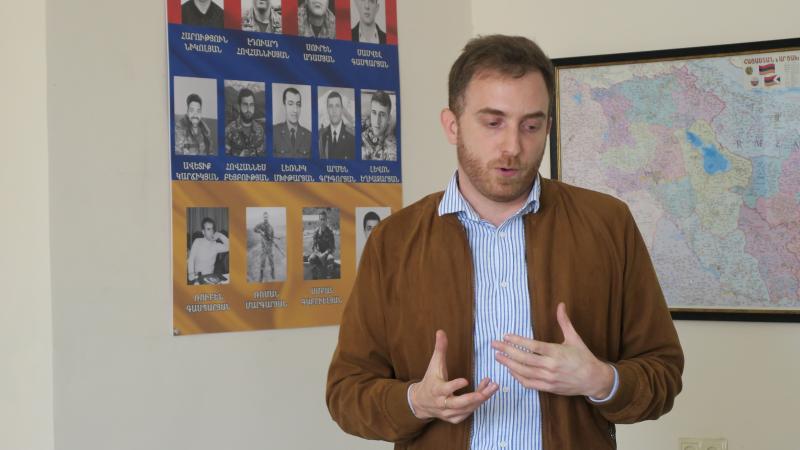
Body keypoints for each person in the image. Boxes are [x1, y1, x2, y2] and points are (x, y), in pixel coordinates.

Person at [326, 35, 684, 450]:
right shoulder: (394, 240)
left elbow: (663, 373)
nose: (513, 146)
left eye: (531, 125)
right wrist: (415, 402)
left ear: (548, 127)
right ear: (452, 125)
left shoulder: (608, 223)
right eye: (493, 122)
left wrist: (601, 380)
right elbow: (346, 393)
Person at [187, 217, 229, 283]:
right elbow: (191, 259)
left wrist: (220, 235)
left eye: (212, 229)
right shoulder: (197, 241)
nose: (211, 231)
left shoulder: (216, 245)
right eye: (208, 229)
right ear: (203, 232)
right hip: (197, 277)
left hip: (210, 278)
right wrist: (191, 272)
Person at [273, 87, 311, 158]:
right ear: (284, 106)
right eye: (290, 104)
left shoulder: (309, 136)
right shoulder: (274, 133)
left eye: (298, 104)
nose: (295, 110)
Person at [225, 88, 265, 157]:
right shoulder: (229, 130)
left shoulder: (260, 130)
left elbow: (263, 156)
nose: (249, 109)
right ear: (239, 107)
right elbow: (223, 160)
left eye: (251, 105)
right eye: (245, 105)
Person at [361, 90, 397, 161]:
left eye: (382, 115)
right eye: (374, 113)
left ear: (389, 119)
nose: (377, 121)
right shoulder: (363, 130)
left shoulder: (392, 149)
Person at [319, 91, 356, 159]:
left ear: (342, 109)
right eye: (330, 106)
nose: (334, 110)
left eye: (337, 106)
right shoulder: (321, 136)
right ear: (327, 109)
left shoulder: (353, 135)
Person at [308, 211, 336, 278]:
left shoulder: (330, 232)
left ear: (326, 220)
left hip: (327, 253)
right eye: (321, 219)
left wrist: (324, 254)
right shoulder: (316, 232)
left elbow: (332, 247)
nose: (322, 221)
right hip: (318, 253)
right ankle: (315, 275)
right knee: (311, 259)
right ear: (319, 220)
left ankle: (329, 276)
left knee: (331, 258)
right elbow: (314, 247)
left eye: (324, 219)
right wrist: (319, 255)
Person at [253, 211, 276, 281]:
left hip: (269, 246)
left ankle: (272, 273)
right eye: (264, 217)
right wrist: (260, 231)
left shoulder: (271, 227)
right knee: (262, 260)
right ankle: (261, 275)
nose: (265, 218)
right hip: (263, 247)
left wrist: (271, 241)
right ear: (263, 217)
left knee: (271, 260)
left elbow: (272, 236)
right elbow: (254, 229)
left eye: (266, 217)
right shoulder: (261, 225)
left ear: (268, 217)